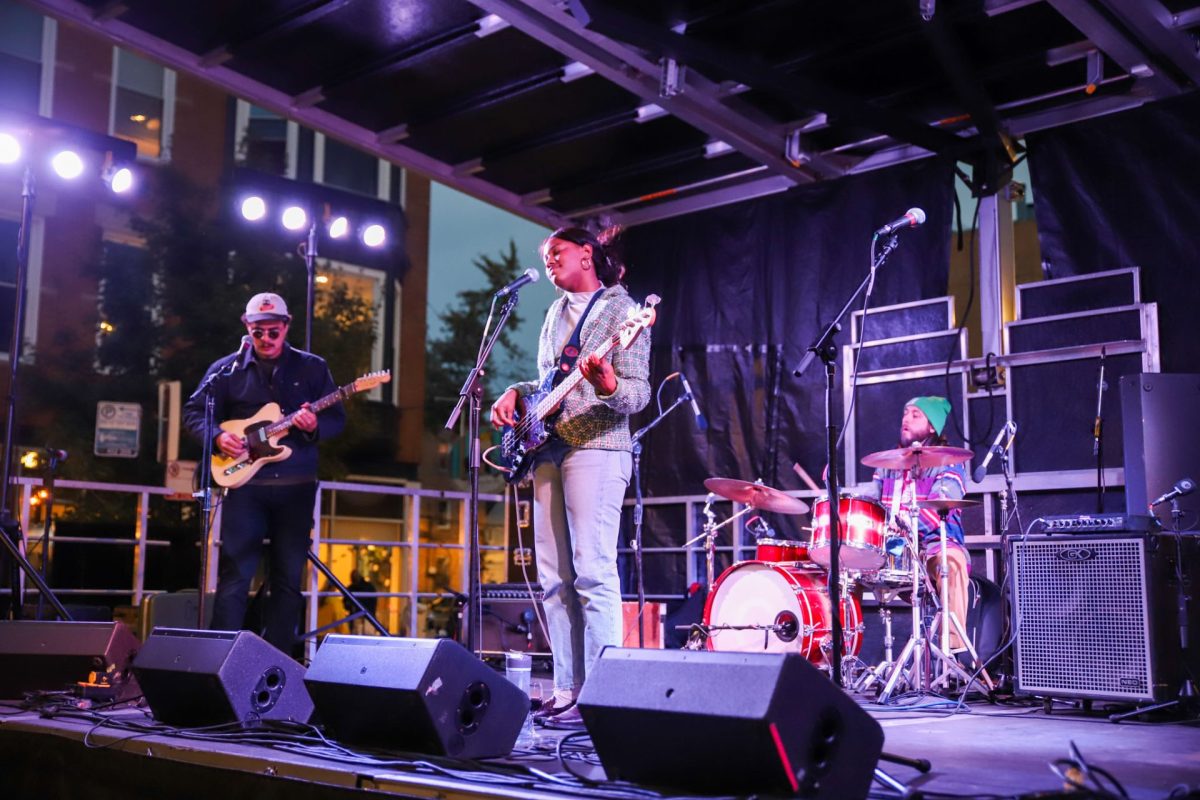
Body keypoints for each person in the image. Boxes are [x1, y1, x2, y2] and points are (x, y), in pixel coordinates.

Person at [490, 226, 651, 728]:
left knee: (593, 572)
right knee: (554, 579)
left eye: (556, 252)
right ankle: (566, 690)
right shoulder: (552, 314)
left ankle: (605, 694)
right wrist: (516, 392)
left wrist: (607, 384)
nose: (550, 261)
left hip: (598, 448)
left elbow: (638, 395)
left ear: (587, 253)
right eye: (546, 256)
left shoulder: (623, 312)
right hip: (547, 449)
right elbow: (549, 385)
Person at [183, 292, 345, 655]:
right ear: (246, 327)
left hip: (296, 487)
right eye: (258, 332)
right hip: (246, 485)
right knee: (235, 577)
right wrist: (218, 437)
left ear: (286, 327)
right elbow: (193, 413)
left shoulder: (312, 368)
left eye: (273, 331)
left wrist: (313, 424)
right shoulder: (226, 370)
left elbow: (337, 421)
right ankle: (218, 658)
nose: (266, 340)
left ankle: (277, 664)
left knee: (288, 580)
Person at [863, 396, 971, 650]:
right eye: (905, 413)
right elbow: (870, 501)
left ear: (932, 427)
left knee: (951, 564)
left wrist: (905, 529)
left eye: (915, 415)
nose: (906, 419)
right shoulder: (887, 465)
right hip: (890, 551)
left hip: (933, 546)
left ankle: (952, 654)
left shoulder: (949, 461)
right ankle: (840, 654)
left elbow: (941, 505)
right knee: (842, 567)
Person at [345, 569, 378, 635]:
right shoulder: (370, 587)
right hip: (368, 617)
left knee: (357, 638)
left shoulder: (351, 588)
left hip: (357, 617)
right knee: (369, 638)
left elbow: (346, 604)